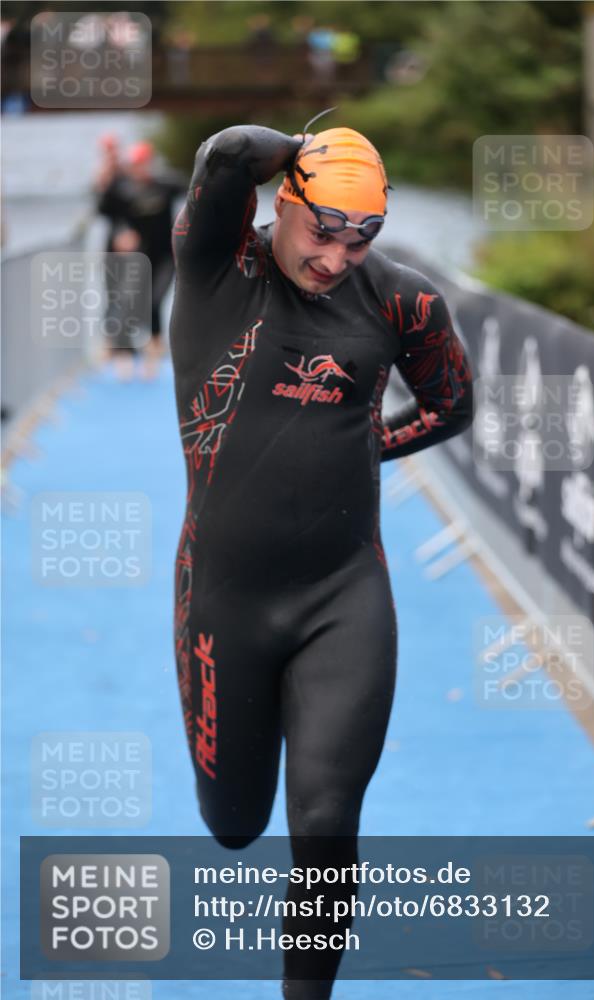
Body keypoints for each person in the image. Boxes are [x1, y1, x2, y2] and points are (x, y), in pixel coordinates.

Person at [170, 121, 473, 999]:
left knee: (328, 817)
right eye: (322, 230)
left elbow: (449, 407)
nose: (336, 258)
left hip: (343, 595)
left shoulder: (403, 301)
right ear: (285, 201)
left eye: (361, 237)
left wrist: (354, 450)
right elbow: (226, 154)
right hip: (222, 600)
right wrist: (305, 145)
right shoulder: (216, 265)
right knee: (234, 825)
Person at [97, 140, 186, 378]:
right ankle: (124, 356)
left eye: (144, 164)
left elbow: (196, 193)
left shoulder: (166, 184)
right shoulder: (121, 189)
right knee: (125, 303)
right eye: (136, 165)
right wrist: (121, 233)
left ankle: (153, 358)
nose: (140, 169)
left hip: (164, 257)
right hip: (135, 260)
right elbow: (107, 213)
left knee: (154, 302)